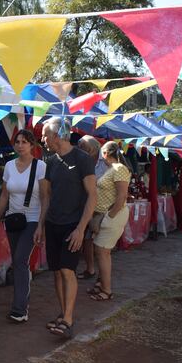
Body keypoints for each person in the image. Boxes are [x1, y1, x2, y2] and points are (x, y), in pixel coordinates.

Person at [41, 117, 97, 339]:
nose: (42, 139)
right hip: (53, 223)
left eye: (45, 134)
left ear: (56, 136)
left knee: (67, 270)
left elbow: (93, 195)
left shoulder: (82, 159)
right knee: (56, 272)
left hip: (73, 224)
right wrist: (40, 226)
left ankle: (68, 319)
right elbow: (45, 196)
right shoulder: (50, 161)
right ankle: (63, 314)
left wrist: (81, 228)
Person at [0, 130, 48, 322]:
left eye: (24, 142)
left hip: (32, 219)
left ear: (32, 145)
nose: (20, 145)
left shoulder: (40, 166)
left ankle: (19, 309)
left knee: (20, 259)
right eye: (17, 142)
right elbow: (5, 195)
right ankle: (22, 300)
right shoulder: (9, 165)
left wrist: (41, 224)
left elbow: (45, 197)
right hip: (12, 219)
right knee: (18, 263)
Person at [86, 141, 131, 301]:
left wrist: (109, 216)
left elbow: (121, 196)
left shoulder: (119, 169)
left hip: (111, 216)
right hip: (105, 215)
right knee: (101, 252)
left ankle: (106, 290)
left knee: (102, 252)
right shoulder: (112, 169)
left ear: (105, 153)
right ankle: (102, 284)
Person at [76, 135, 105, 279]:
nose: (82, 151)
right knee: (87, 240)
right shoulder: (81, 161)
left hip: (102, 207)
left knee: (100, 243)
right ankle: (90, 269)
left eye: (85, 149)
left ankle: (102, 274)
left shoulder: (104, 161)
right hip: (86, 205)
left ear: (94, 149)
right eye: (81, 148)